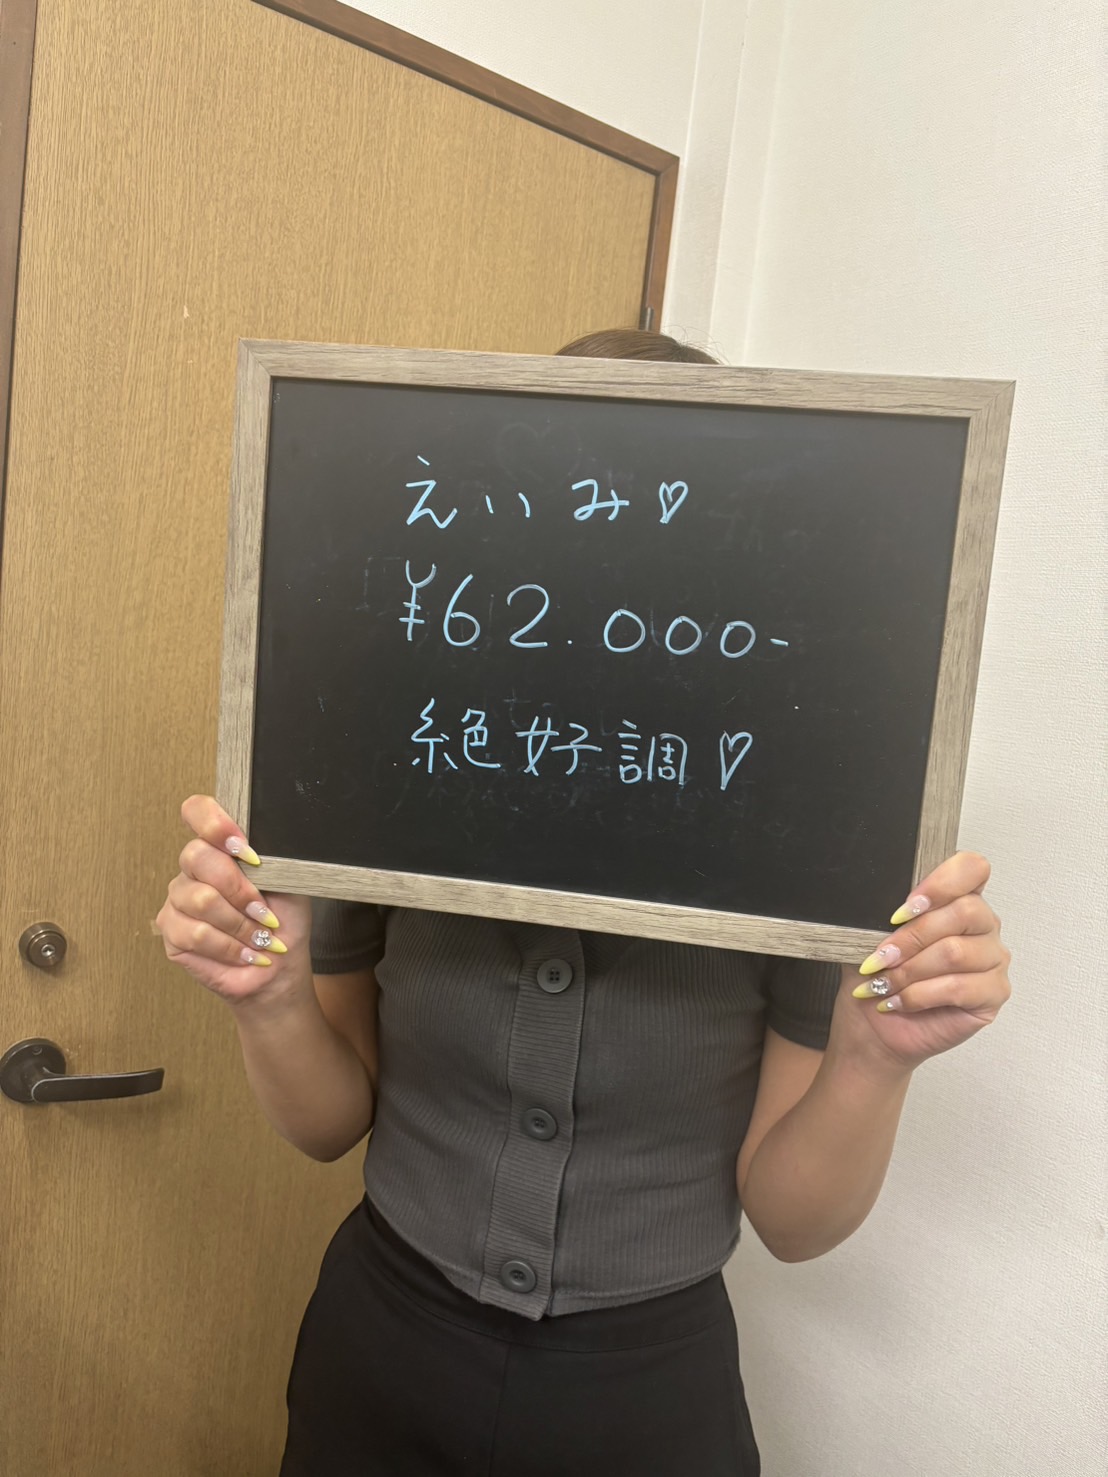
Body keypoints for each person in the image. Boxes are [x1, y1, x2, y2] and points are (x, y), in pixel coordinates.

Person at [156, 330, 1012, 1476]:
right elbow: (325, 1126)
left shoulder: (798, 843)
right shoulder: (396, 780)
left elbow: (794, 1222)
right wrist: (266, 1001)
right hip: (384, 1339)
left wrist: (875, 1059)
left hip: (647, 1384)